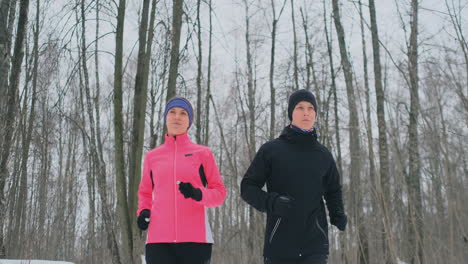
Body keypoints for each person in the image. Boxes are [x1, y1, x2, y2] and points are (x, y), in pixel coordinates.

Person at [240, 89, 347, 264]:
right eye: (300, 107)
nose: (306, 112)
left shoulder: (323, 155)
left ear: (315, 114)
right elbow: (247, 187)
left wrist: (337, 213)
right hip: (279, 247)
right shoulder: (271, 150)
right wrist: (272, 202)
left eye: (311, 108)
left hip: (315, 246)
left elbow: (333, 190)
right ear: (291, 113)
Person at [137, 97, 226, 264]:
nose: (177, 117)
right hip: (158, 241)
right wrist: (143, 212)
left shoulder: (203, 154)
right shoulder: (152, 156)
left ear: (189, 121)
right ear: (165, 118)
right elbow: (145, 192)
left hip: (196, 241)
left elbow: (219, 193)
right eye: (172, 112)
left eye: (183, 113)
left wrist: (198, 193)